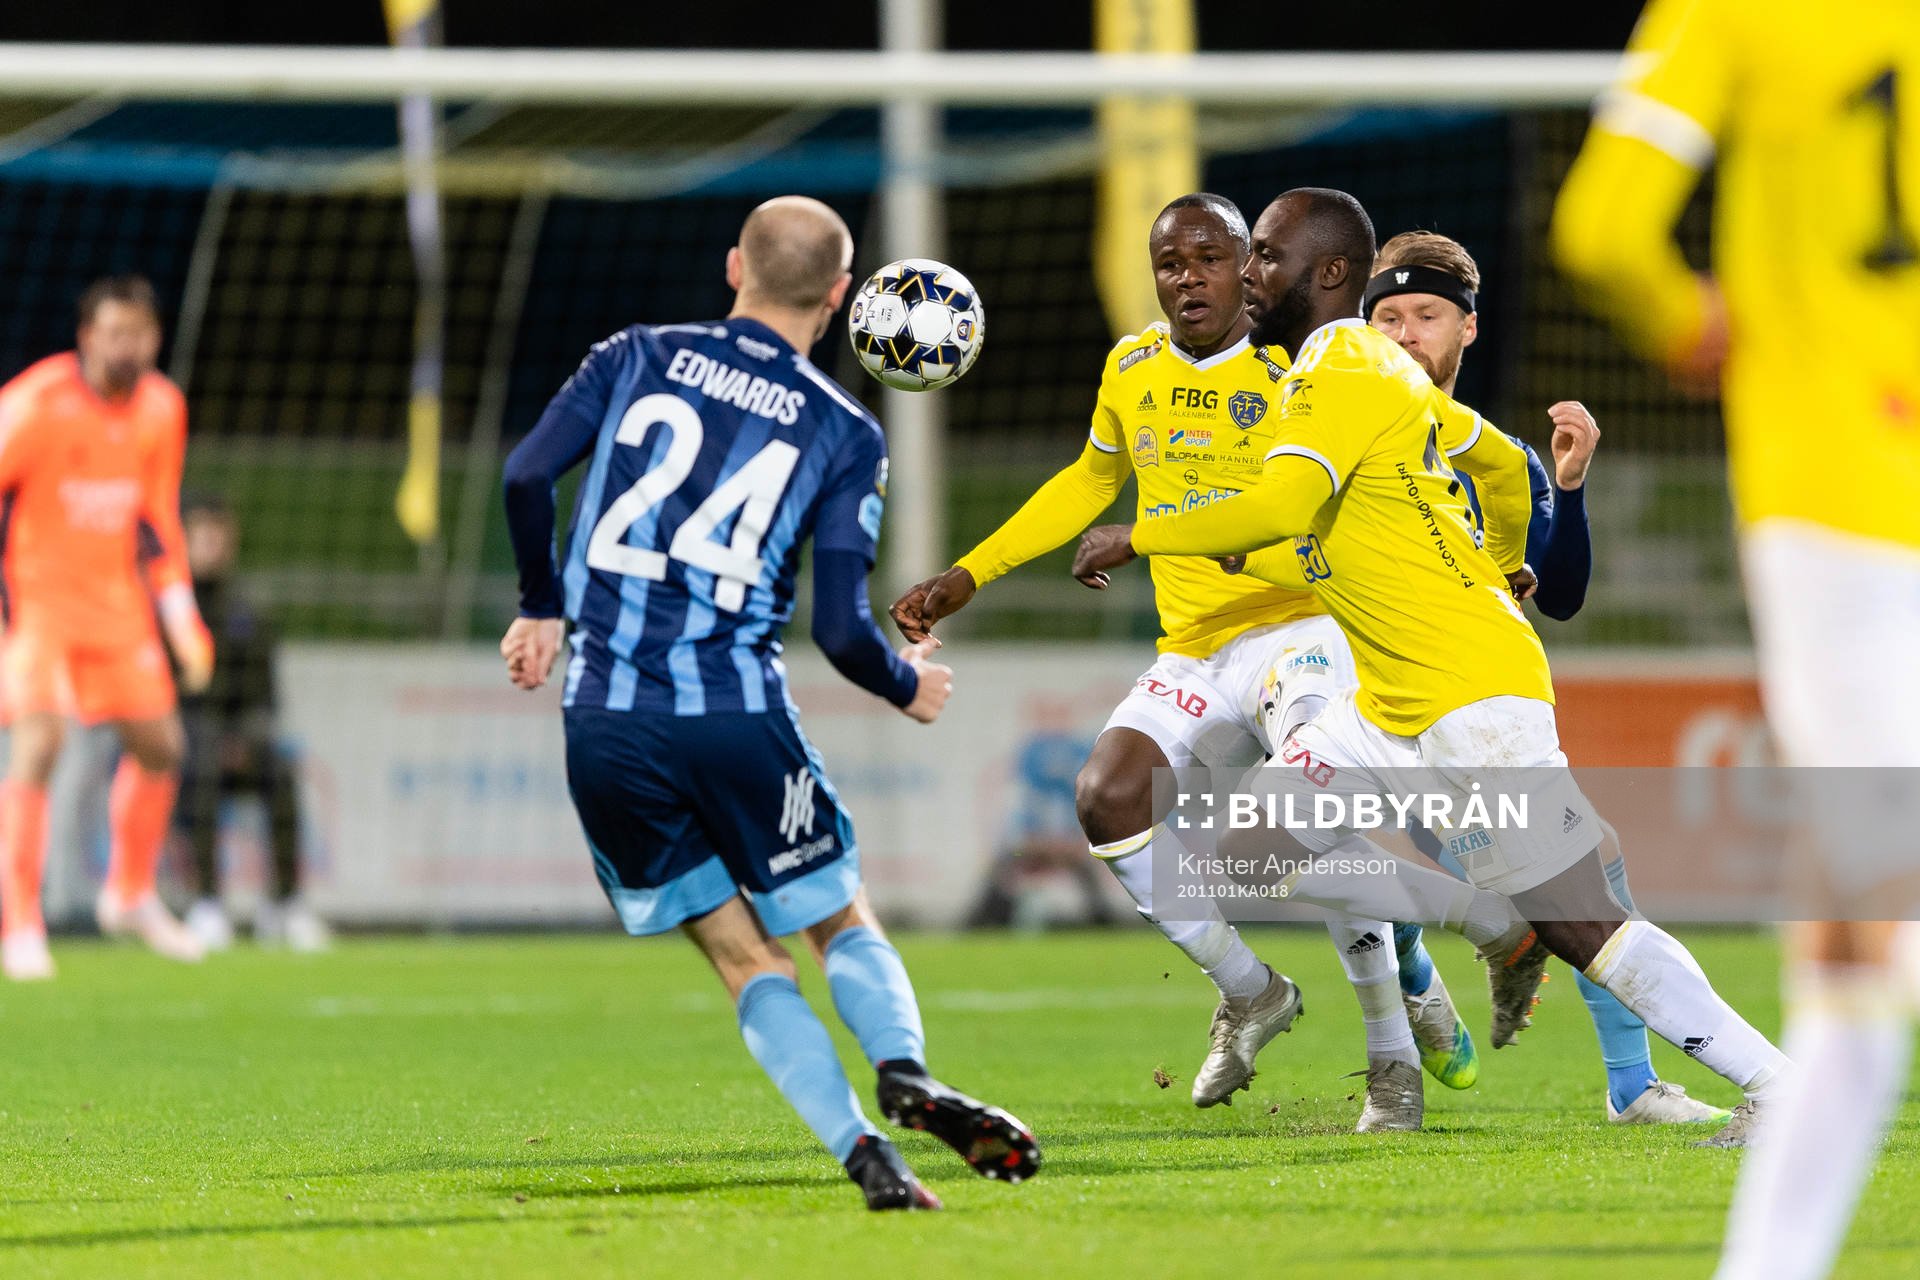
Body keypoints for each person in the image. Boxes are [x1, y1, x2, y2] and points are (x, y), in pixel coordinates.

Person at [1072, 186, 1792, 1142]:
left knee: (1585, 924)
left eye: (1268, 258)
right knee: (1246, 859)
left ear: (1328, 274)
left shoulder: (1342, 362)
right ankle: (1489, 927)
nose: (1250, 274)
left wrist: (1139, 534)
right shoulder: (1365, 370)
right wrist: (1496, 564)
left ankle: (1779, 1089)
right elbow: (1500, 463)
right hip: (1386, 703)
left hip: (1466, 697)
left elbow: (1286, 504)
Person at [890, 194, 1539, 1125]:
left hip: (1304, 631)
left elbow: (1362, 500)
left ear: (1252, 268)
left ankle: (1394, 1058)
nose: (1186, 277)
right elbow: (1089, 478)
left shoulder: (1304, 366)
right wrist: (970, 572)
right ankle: (1251, 988)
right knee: (1106, 799)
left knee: (1314, 818)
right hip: (1195, 650)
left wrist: (1180, 540)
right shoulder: (1134, 365)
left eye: (1210, 258)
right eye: (1168, 262)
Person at [500, 195, 1040, 1211]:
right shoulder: (844, 431)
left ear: (733, 266)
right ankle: (906, 1067)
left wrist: (542, 604)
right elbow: (839, 630)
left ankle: (865, 1150)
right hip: (735, 712)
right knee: (838, 920)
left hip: (604, 723)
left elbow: (528, 472)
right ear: (841, 297)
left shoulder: (630, 354)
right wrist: (907, 684)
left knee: (744, 957)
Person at [1552, 1, 1920, 1272]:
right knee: (1849, 923)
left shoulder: (1744, 10)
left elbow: (1601, 226)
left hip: (1842, 490)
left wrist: (1685, 321)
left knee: (1872, 917)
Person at [1365, 230, 1724, 1125]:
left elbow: (1557, 593)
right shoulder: (1338, 435)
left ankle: (1613, 1076)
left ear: (1469, 329)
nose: (1406, 333)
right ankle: (1619, 1079)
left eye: (1426, 315)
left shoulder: (1497, 460)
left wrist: (1569, 488)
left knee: (1577, 875)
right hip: (1361, 704)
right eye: (1388, 316)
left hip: (1454, 712)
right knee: (1569, 877)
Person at [0, 276, 212, 979]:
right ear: (87, 336)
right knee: (40, 740)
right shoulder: (34, 405)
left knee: (162, 747)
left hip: (117, 606)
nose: (130, 348)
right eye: (116, 334)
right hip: (37, 603)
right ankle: (21, 924)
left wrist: (181, 618)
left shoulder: (162, 408)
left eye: (142, 335)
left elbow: (157, 520)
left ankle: (128, 894)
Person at [171, 494, 329, 952]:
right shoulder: (170, 611)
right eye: (200, 534)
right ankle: (207, 905)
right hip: (182, 745)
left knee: (280, 774)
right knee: (198, 763)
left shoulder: (248, 613)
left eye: (217, 534)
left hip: (238, 739)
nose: (210, 544)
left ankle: (285, 904)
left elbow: (265, 697)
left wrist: (244, 737)